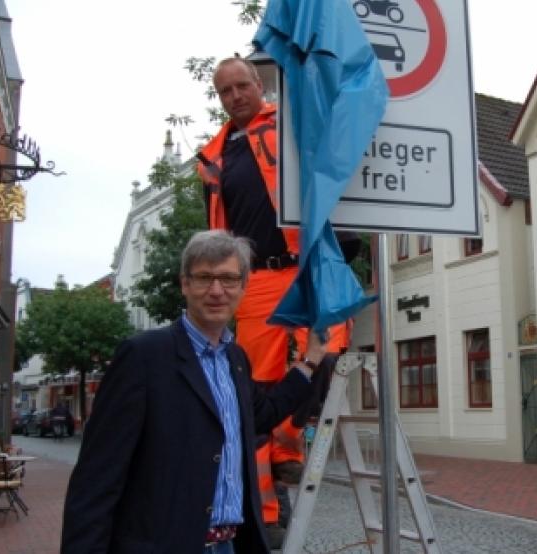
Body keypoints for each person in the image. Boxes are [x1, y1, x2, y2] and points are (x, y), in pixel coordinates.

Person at [61, 230, 327, 554]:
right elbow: (96, 478)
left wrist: (310, 360)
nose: (217, 290)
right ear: (185, 284)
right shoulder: (144, 356)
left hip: (229, 545)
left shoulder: (236, 359)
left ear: (244, 286)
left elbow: (262, 414)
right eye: (204, 278)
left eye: (229, 279)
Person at [197, 55, 352, 541]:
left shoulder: (291, 124)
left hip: (303, 265)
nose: (236, 96)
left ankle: (289, 447)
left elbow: (333, 166)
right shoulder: (214, 155)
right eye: (226, 91)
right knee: (256, 386)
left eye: (242, 85)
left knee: (329, 348)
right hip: (255, 279)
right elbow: (214, 220)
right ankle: (266, 509)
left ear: (258, 84)